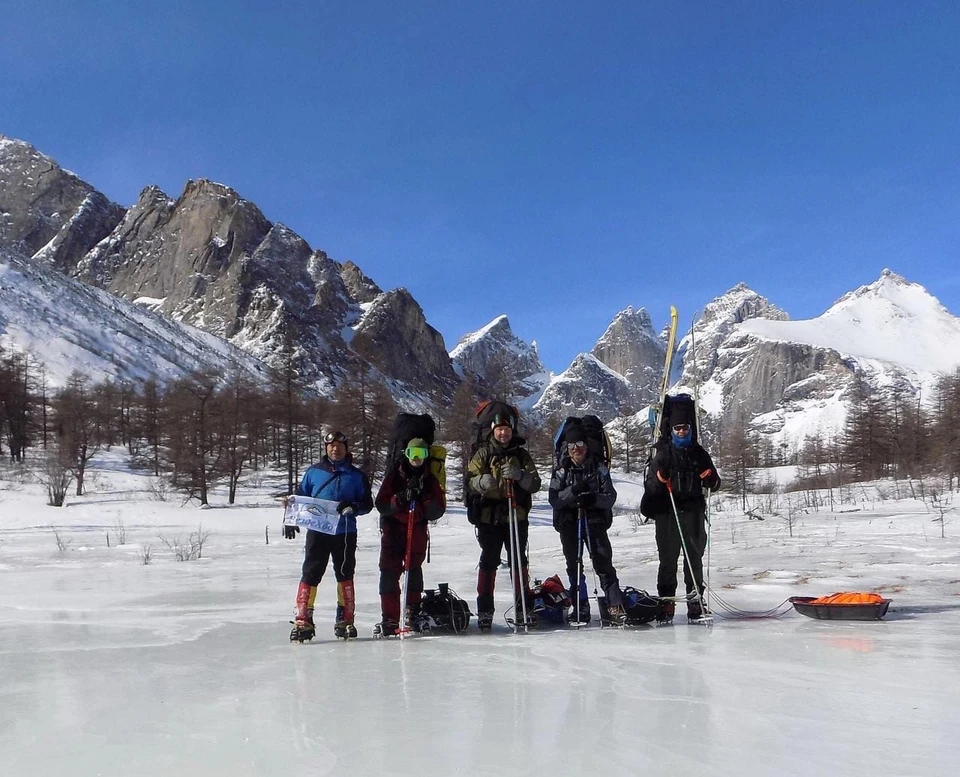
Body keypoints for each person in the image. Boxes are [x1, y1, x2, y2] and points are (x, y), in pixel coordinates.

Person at [286, 430, 373, 641]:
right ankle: (303, 619)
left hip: (345, 532)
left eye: (339, 446)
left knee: (345, 574)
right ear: (326, 449)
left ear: (346, 448)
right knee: (311, 572)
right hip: (318, 531)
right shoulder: (314, 472)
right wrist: (290, 519)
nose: (335, 449)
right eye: (331, 446)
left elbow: (367, 504)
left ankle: (345, 619)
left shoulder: (357, 475)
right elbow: (300, 498)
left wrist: (354, 506)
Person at [466, 409, 542, 630]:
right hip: (489, 517)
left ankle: (522, 607)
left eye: (507, 430)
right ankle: (485, 610)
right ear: (493, 430)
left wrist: (520, 475)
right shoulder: (482, 453)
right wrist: (482, 482)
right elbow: (469, 481)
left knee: (519, 561)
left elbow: (535, 483)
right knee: (489, 560)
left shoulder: (521, 455)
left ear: (512, 431)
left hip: (516, 514)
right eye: (500, 429)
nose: (503, 434)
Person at [643, 417, 721, 622]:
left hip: (694, 513)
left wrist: (710, 479)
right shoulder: (663, 454)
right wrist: (660, 481)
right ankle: (666, 602)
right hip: (668, 514)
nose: (681, 431)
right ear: (672, 430)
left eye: (684, 427)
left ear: (690, 428)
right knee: (668, 560)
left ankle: (695, 600)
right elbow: (650, 488)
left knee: (694, 558)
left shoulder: (699, 453)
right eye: (677, 427)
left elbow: (715, 482)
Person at [548, 426, 626, 625]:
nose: (576, 449)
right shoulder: (561, 470)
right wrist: (573, 492)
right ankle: (580, 604)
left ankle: (614, 604)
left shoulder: (599, 468)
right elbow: (554, 498)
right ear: (567, 447)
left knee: (603, 562)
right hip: (569, 521)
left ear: (587, 446)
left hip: (594, 521)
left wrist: (592, 498)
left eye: (580, 444)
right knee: (574, 564)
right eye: (572, 445)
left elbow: (610, 497)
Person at [374, 437, 446, 637]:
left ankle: (412, 612)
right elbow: (381, 504)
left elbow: (437, 510)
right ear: (406, 454)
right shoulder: (394, 477)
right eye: (413, 454)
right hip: (394, 531)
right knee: (389, 572)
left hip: (417, 530)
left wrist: (423, 496)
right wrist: (402, 497)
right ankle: (389, 616)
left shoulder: (429, 479)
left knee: (414, 571)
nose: (416, 458)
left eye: (421, 454)